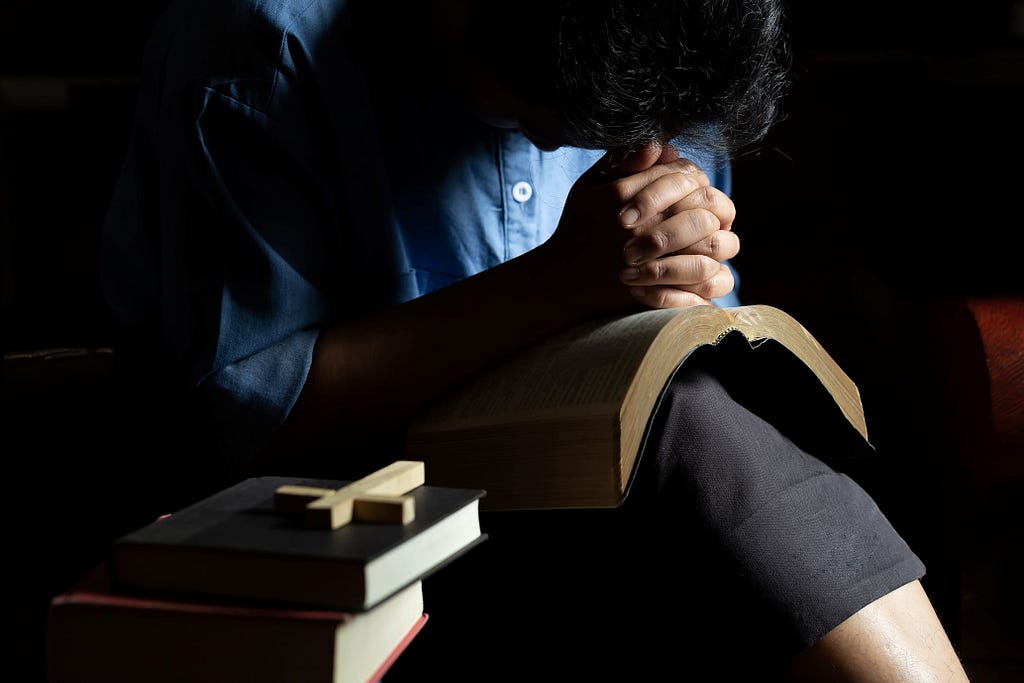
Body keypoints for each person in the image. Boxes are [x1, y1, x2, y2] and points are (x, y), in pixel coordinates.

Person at [99, 0, 971, 680]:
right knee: (697, 437)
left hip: (585, 513)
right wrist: (558, 282)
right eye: (565, 126)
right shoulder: (264, 40)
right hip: (344, 547)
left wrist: (685, 282)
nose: (634, 148)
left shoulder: (664, 40)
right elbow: (240, 423)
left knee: (720, 432)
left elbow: (675, 331)